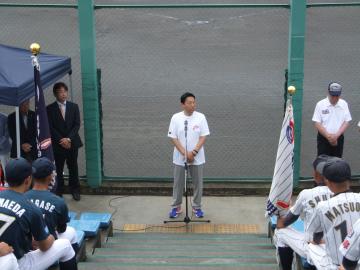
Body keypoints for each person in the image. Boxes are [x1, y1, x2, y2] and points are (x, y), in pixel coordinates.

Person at [0, 158, 77, 270]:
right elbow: (44, 246)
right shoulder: (31, 208)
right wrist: (51, 236)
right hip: (16, 263)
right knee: (65, 245)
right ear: (28, 180)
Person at [274, 155, 336, 270]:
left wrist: (282, 212)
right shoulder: (343, 195)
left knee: (280, 233)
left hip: (313, 248)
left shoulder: (306, 194)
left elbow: (283, 223)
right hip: (340, 248)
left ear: (317, 175)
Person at [307, 159, 360, 270]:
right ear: (349, 179)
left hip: (334, 265)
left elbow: (316, 237)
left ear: (328, 182)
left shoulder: (323, 206)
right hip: (356, 264)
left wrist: (318, 240)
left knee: (311, 246)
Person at [168, 92, 210, 218]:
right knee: (178, 183)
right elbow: (173, 137)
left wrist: (194, 152)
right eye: (190, 103)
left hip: (197, 158)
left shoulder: (201, 117)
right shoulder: (175, 118)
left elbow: (203, 136)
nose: (193, 105)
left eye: (194, 102)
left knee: (198, 183)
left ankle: (197, 207)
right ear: (183, 104)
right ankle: (176, 207)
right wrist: (184, 153)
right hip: (180, 158)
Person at [25, 157, 78, 253]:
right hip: (45, 247)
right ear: (50, 177)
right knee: (71, 233)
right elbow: (62, 229)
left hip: (24, 246)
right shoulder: (58, 201)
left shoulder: (22, 197)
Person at [47, 82, 83, 201]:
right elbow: (50, 127)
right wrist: (61, 140)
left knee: (73, 167)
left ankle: (75, 190)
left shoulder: (74, 106)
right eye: (60, 92)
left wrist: (68, 139)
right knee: (58, 168)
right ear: (55, 94)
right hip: (58, 144)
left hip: (72, 142)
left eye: (64, 91)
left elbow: (77, 124)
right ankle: (59, 191)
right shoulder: (49, 109)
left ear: (67, 92)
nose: (63, 94)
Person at [312, 82, 352, 157]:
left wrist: (336, 136)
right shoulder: (320, 104)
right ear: (328, 93)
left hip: (338, 138)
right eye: (333, 95)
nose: (335, 98)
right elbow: (317, 123)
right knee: (322, 162)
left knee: (337, 162)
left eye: (337, 96)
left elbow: (346, 121)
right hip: (323, 138)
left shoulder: (344, 104)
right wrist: (328, 137)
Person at [0, 113, 11, 179]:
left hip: (3, 147)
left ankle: (7, 181)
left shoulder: (4, 118)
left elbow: (7, 134)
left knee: (6, 167)